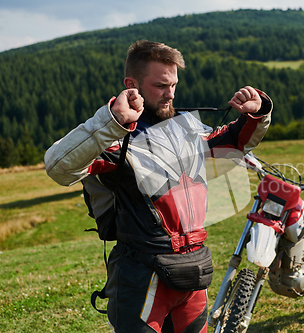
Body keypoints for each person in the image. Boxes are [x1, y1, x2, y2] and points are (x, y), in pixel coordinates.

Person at [44, 40, 272, 333]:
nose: (170, 94)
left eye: (174, 84)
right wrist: (111, 122)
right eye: (161, 85)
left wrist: (257, 112)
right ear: (132, 84)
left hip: (194, 270)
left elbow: (234, 144)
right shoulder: (116, 139)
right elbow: (58, 167)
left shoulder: (186, 129)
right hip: (143, 274)